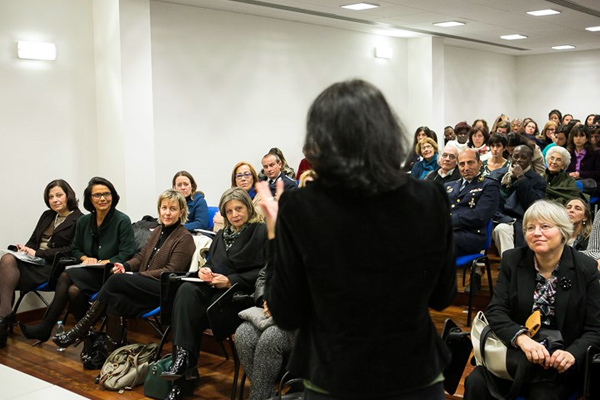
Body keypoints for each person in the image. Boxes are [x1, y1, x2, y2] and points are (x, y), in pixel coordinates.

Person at [257, 79, 456, 399]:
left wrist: (273, 234)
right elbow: (443, 295)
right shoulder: (430, 197)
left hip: (336, 375)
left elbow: (286, 312)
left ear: (320, 139)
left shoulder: (300, 207)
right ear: (387, 132)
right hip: (414, 372)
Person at [464, 200, 600, 400]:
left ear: (563, 231)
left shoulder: (585, 268)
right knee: (476, 382)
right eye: (530, 228)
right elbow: (496, 310)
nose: (536, 233)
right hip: (515, 357)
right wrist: (521, 338)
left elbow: (595, 328)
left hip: (557, 366)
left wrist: (571, 354)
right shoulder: (513, 259)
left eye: (545, 226)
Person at [51, 189, 195, 352]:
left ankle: (80, 330)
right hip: (142, 286)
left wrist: (135, 275)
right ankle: (113, 355)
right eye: (164, 208)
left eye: (172, 209)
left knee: (117, 280)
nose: (167, 213)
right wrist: (125, 266)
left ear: (181, 211)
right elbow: (140, 257)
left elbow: (170, 271)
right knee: (115, 300)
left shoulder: (185, 238)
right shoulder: (157, 231)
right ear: (159, 209)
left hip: (162, 290)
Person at [160, 188, 266, 400]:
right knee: (186, 289)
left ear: (248, 208)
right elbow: (212, 263)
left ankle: (183, 374)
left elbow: (267, 271)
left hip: (238, 296)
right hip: (212, 291)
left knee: (190, 315)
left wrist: (230, 281)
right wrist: (205, 270)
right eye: (229, 211)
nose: (234, 214)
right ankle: (183, 361)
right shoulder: (220, 236)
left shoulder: (260, 231)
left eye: (239, 209)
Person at [20, 177, 136, 343]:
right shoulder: (84, 221)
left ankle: (47, 326)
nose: (102, 198)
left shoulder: (122, 220)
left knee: (66, 276)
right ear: (90, 199)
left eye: (106, 194)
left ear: (113, 196)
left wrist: (103, 262)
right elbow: (76, 249)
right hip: (89, 271)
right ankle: (87, 335)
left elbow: (127, 253)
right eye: (97, 195)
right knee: (73, 291)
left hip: (111, 273)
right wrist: (85, 258)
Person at [0, 179, 83, 348]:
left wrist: (38, 253)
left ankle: (4, 318)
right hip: (34, 263)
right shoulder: (47, 215)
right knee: (6, 262)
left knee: (6, 263)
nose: (55, 200)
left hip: (53, 268)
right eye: (51, 196)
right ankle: (4, 316)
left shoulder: (80, 219)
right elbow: (33, 240)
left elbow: (71, 250)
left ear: (68, 196)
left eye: (59, 195)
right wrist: (25, 249)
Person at [234, 267, 296, 400]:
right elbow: (263, 277)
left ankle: (258, 396)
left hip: (310, 320)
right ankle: (266, 395)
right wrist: (265, 299)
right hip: (276, 309)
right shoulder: (284, 246)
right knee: (243, 334)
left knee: (271, 337)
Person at [444, 148, 500, 293]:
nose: (466, 168)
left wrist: (449, 221)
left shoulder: (489, 185)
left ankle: (437, 287)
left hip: (472, 236)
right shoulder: (448, 186)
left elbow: (480, 216)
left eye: (470, 163)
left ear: (480, 164)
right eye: (462, 164)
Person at [491, 145, 547, 256]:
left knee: (503, 229)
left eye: (523, 157)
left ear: (530, 160)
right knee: (499, 228)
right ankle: (509, 266)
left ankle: (511, 266)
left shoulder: (538, 180)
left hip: (523, 220)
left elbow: (534, 205)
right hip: (498, 217)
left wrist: (521, 178)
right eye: (516, 156)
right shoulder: (497, 174)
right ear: (511, 157)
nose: (519, 160)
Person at [213, 162, 262, 231]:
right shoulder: (230, 197)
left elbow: (254, 220)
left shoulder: (261, 198)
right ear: (235, 181)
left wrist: (224, 220)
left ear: (253, 178)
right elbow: (218, 220)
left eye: (247, 175)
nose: (243, 179)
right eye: (239, 176)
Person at [566, 125, 600, 196]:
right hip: (572, 183)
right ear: (572, 138)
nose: (578, 139)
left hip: (591, 185)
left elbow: (598, 173)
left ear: (587, 138)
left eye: (581, 136)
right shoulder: (568, 153)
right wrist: (570, 174)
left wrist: (580, 174)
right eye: (575, 136)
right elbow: (564, 171)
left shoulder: (596, 153)